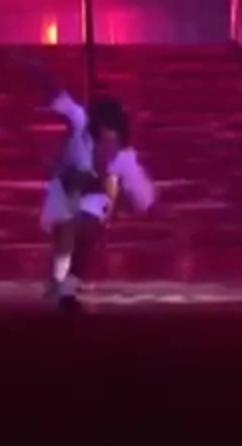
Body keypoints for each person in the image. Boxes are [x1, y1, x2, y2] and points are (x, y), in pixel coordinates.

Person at [24, 58, 156, 311]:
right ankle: (58, 280)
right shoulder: (80, 121)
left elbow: (143, 196)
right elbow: (56, 93)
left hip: (94, 196)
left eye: (113, 144)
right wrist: (34, 67)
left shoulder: (125, 157)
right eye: (103, 142)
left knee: (86, 229)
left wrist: (147, 206)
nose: (107, 150)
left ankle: (68, 288)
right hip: (64, 189)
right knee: (65, 233)